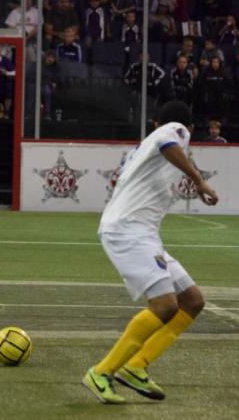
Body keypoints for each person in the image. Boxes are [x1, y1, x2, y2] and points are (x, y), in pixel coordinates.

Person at [82, 100, 218, 404]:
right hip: (128, 231)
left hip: (144, 235)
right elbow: (170, 141)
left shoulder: (142, 151)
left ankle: (136, 366)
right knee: (165, 305)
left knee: (192, 301)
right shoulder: (174, 130)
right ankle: (101, 372)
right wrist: (199, 181)